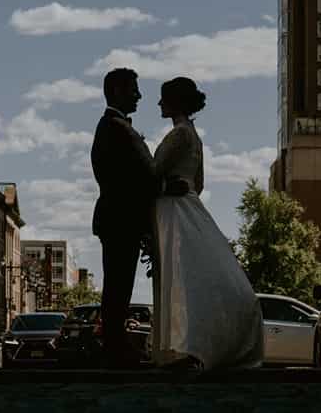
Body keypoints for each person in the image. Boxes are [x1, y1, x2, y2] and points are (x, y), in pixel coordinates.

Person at [149, 76, 264, 371]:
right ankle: (191, 345)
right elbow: (198, 183)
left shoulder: (179, 136)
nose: (159, 103)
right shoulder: (194, 136)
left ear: (175, 101)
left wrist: (163, 192)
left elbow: (153, 173)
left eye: (163, 98)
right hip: (189, 204)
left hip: (174, 207)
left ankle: (182, 346)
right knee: (193, 274)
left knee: (179, 276)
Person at [91, 68, 158, 368]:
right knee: (118, 286)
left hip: (119, 219)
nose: (139, 95)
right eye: (134, 88)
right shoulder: (115, 128)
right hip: (121, 220)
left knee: (119, 285)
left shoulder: (113, 127)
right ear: (117, 90)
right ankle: (114, 348)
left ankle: (115, 346)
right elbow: (139, 176)